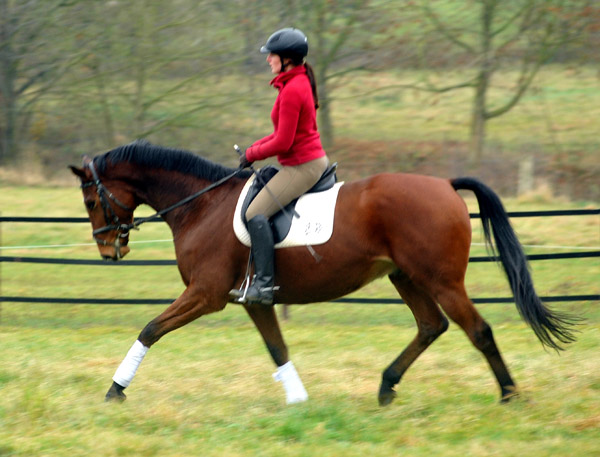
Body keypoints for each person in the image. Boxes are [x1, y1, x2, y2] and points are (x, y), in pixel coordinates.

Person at [229, 27, 329, 306]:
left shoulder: (293, 89)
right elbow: (279, 135)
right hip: (301, 161)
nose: (267, 59)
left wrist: (253, 152)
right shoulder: (293, 83)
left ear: (286, 58)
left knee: (255, 212)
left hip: (304, 166)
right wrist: (253, 150)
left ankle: (263, 285)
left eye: (271, 55)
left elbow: (283, 142)